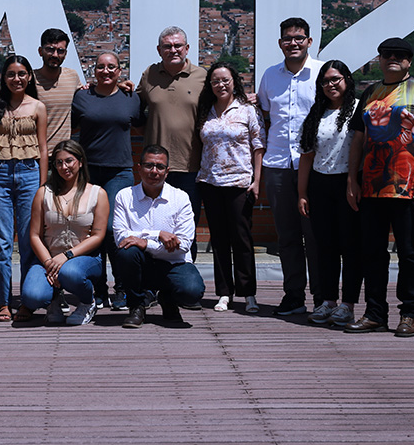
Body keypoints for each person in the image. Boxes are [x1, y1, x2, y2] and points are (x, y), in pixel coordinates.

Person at [345, 37, 414, 337]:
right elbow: (357, 138)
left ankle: (408, 314)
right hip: (371, 187)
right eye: (386, 54)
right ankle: (375, 313)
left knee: (408, 252)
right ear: (379, 60)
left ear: (409, 61)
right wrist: (352, 179)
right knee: (372, 252)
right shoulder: (370, 92)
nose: (392, 59)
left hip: (409, 187)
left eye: (399, 55)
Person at [256, 17, 323, 315]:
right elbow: (264, 113)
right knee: (287, 236)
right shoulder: (270, 76)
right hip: (278, 165)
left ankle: (323, 297)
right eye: (287, 38)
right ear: (280, 42)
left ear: (309, 41)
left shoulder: (323, 73)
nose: (293, 43)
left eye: (299, 38)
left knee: (318, 235)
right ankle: (294, 295)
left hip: (317, 166)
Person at [72, 51, 145, 311]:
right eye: (101, 67)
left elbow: (142, 125)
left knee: (116, 231)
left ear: (119, 71)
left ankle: (122, 289)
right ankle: (98, 288)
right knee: (92, 233)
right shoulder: (81, 96)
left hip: (119, 173)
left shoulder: (131, 98)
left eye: (111, 67)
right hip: (89, 173)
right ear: (94, 71)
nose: (106, 71)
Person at [298, 60, 363, 327]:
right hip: (320, 185)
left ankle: (348, 304)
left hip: (350, 184)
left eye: (335, 79)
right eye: (325, 81)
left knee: (350, 246)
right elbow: (306, 157)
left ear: (347, 79)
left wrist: (354, 182)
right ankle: (328, 301)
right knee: (324, 246)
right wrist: (302, 193)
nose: (330, 85)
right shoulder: (317, 113)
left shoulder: (359, 109)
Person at [196, 61, 265, 313]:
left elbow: (258, 146)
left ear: (234, 81)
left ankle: (248, 294)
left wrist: (257, 180)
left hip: (239, 183)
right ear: (210, 85)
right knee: (219, 240)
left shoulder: (247, 110)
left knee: (242, 239)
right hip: (210, 183)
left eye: (225, 80)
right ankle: (224, 292)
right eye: (215, 81)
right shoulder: (206, 110)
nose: (221, 84)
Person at [112, 144, 206, 328]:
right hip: (141, 264)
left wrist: (144, 242)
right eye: (149, 165)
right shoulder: (124, 196)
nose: (154, 171)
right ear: (139, 168)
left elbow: (184, 244)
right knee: (126, 252)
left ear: (167, 171)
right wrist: (158, 235)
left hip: (174, 263)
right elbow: (121, 238)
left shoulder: (181, 198)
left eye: (160, 167)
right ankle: (136, 306)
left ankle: (167, 297)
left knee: (192, 291)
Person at [18, 140, 109, 325]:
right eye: (59, 162)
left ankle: (87, 302)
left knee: (70, 272)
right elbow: (34, 235)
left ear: (80, 162)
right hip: (48, 258)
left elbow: (98, 236)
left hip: (84, 258)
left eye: (69, 161)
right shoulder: (43, 193)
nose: (64, 167)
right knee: (32, 296)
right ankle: (53, 300)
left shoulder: (97, 194)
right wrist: (49, 262)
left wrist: (66, 257)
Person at [136, 26, 207, 260]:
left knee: (187, 229)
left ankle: (184, 281)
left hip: (190, 165)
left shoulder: (203, 77)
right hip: (154, 168)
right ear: (159, 50)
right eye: (167, 46)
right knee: (149, 225)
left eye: (178, 46)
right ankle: (150, 287)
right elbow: (134, 104)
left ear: (187, 49)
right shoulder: (149, 75)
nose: (173, 50)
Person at [0, 54, 48, 323]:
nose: (17, 79)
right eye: (11, 74)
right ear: (3, 77)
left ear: (30, 76)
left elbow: (44, 148)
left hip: (29, 173)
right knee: (1, 242)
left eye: (22, 73)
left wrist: (44, 185)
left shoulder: (37, 107)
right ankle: (3, 302)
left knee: (27, 240)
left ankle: (26, 302)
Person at [33, 28, 83, 154]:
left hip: (62, 158)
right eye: (50, 49)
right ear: (40, 51)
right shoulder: (28, 80)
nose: (55, 55)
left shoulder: (72, 76)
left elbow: (93, 91)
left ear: (65, 54)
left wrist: (119, 86)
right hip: (33, 157)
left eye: (60, 51)